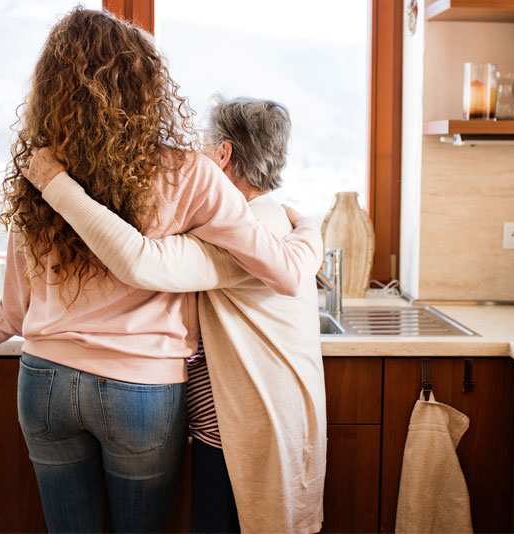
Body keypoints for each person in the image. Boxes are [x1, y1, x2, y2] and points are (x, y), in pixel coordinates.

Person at [0, 8, 323, 533]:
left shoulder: (41, 173)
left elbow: (16, 310)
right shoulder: (189, 174)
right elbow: (281, 270)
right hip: (142, 390)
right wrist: (309, 226)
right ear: (146, 87)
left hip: (45, 382)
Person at [27, 96, 327, 533]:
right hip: (259, 429)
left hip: (238, 440)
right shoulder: (278, 221)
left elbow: (139, 260)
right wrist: (313, 230)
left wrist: (56, 183)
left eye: (203, 145)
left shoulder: (238, 240)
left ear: (222, 154)